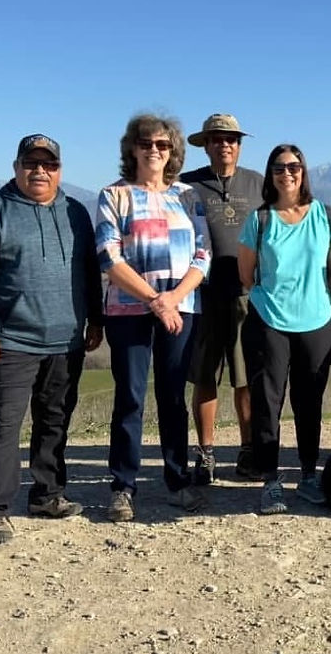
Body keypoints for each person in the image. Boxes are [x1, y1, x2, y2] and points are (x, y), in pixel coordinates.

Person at [0, 134, 103, 544]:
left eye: (49, 164)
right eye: (31, 163)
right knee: (5, 424)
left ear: (59, 170)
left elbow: (89, 270)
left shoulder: (76, 213)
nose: (40, 170)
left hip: (67, 338)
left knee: (55, 419)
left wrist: (96, 319)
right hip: (11, 340)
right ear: (16, 167)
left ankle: (47, 494)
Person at [96, 114, 212, 522]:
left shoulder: (188, 196)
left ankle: (177, 480)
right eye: (146, 143)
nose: (154, 150)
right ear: (132, 148)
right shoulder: (115, 195)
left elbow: (203, 254)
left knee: (173, 397)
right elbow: (108, 256)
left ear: (172, 151)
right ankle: (123, 486)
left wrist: (173, 299)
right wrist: (154, 300)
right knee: (130, 396)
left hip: (180, 310)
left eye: (163, 144)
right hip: (129, 310)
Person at [238, 144, 331, 514]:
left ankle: (309, 474)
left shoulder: (326, 216)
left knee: (309, 401)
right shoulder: (259, 219)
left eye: (294, 166)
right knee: (267, 402)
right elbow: (246, 275)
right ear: (270, 174)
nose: (287, 173)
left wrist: (313, 297)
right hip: (269, 321)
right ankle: (270, 480)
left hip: (317, 322)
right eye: (279, 167)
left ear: (304, 171)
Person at [181, 113, 264, 484]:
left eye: (231, 139)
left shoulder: (257, 183)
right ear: (206, 145)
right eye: (216, 139)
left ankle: (248, 450)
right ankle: (206, 453)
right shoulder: (186, 186)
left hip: (247, 294)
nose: (224, 145)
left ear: (239, 145)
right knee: (205, 375)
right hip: (203, 295)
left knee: (245, 378)